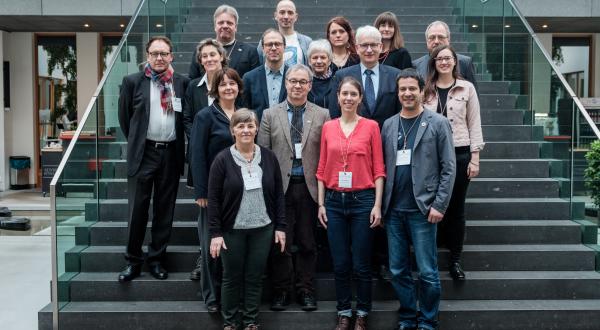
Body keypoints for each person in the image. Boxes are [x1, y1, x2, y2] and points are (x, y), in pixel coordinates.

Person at [381, 68, 456, 330]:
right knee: (398, 270)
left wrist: (439, 204)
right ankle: (407, 316)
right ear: (398, 92)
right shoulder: (389, 125)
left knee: (427, 271)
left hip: (423, 210)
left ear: (422, 91)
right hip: (393, 211)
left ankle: (427, 320)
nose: (407, 93)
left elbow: (449, 167)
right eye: (403, 89)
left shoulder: (438, 123)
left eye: (412, 88)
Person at [257, 63, 330, 312]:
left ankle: (306, 290)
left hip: (309, 188)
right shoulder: (269, 114)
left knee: (308, 243)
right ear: (285, 83)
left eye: (302, 82)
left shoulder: (322, 114)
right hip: (281, 189)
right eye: (293, 81)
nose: (297, 86)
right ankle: (281, 291)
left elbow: (326, 155)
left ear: (310, 85)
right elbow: (263, 156)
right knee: (281, 244)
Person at [117, 36, 190, 282]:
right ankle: (132, 261)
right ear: (147, 56)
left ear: (171, 56)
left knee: (164, 210)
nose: (159, 58)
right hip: (144, 153)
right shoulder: (132, 82)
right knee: (137, 209)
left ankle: (156, 259)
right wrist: (140, 142)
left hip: (170, 153)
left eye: (164, 53)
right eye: (154, 53)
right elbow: (126, 120)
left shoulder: (182, 83)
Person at [207, 109, 287, 330]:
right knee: (231, 278)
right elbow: (213, 200)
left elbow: (278, 194)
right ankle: (230, 322)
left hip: (263, 228)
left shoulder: (269, 158)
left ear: (257, 128)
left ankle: (251, 320)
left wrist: (280, 226)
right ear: (232, 130)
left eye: (250, 125)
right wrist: (215, 233)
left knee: (254, 276)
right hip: (232, 230)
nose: (246, 130)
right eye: (240, 126)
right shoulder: (222, 160)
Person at [316, 76, 385, 330]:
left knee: (361, 263)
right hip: (333, 201)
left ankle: (363, 313)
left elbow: (379, 169)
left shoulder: (371, 127)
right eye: (344, 94)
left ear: (360, 98)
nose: (348, 98)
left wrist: (377, 205)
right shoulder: (328, 127)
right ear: (337, 97)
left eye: (353, 94)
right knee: (341, 261)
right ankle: (344, 311)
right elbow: (322, 168)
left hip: (362, 200)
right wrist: (321, 204)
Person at [423, 45, 484, 281]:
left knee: (456, 207)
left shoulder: (466, 88)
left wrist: (475, 157)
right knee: (433, 205)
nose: (444, 62)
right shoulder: (425, 89)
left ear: (455, 61)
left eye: (448, 58)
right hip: (431, 156)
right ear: (434, 62)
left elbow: (474, 122)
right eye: (440, 58)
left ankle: (456, 260)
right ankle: (430, 257)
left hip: (460, 154)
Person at [189, 68, 243, 312]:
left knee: (234, 247)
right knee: (211, 245)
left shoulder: (244, 115)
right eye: (223, 85)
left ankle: (232, 296)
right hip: (213, 193)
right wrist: (201, 191)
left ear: (239, 87)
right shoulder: (205, 116)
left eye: (232, 83)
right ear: (215, 89)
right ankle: (212, 297)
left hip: (242, 192)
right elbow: (197, 155)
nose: (228, 88)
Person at [328, 25, 401, 127]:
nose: (369, 50)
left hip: (387, 139)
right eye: (364, 45)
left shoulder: (396, 75)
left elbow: (400, 111)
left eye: (373, 45)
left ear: (380, 47)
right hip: (352, 138)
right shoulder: (342, 76)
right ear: (357, 48)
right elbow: (335, 113)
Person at [183, 38, 228, 186]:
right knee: (204, 199)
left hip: (227, 149)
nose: (209, 59)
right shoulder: (193, 86)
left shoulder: (232, 83)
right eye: (204, 56)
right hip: (200, 152)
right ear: (200, 61)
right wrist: (199, 138)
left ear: (221, 56)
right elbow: (187, 119)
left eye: (213, 54)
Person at [188, 5, 259, 80]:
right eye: (221, 23)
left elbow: (255, 81)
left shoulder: (250, 51)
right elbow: (193, 80)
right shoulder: (201, 50)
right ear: (215, 26)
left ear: (236, 27)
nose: (225, 26)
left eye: (229, 23)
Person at [412, 20, 478, 90]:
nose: (436, 41)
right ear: (426, 41)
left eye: (440, 37)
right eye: (432, 37)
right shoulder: (416, 65)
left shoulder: (465, 63)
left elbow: (473, 95)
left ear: (449, 39)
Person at [242, 29, 288, 121]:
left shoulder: (293, 76)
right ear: (262, 48)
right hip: (259, 132)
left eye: (278, 44)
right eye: (269, 44)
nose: (274, 48)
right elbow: (245, 110)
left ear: (284, 47)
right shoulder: (249, 78)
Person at [257, 0, 312, 66]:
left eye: (290, 13)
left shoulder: (307, 42)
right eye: (282, 12)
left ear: (296, 17)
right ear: (275, 15)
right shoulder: (265, 41)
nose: (286, 16)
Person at [307, 39, 334, 108]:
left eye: (323, 57)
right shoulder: (304, 81)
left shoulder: (337, 80)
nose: (319, 61)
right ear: (309, 61)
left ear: (330, 61)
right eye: (315, 58)